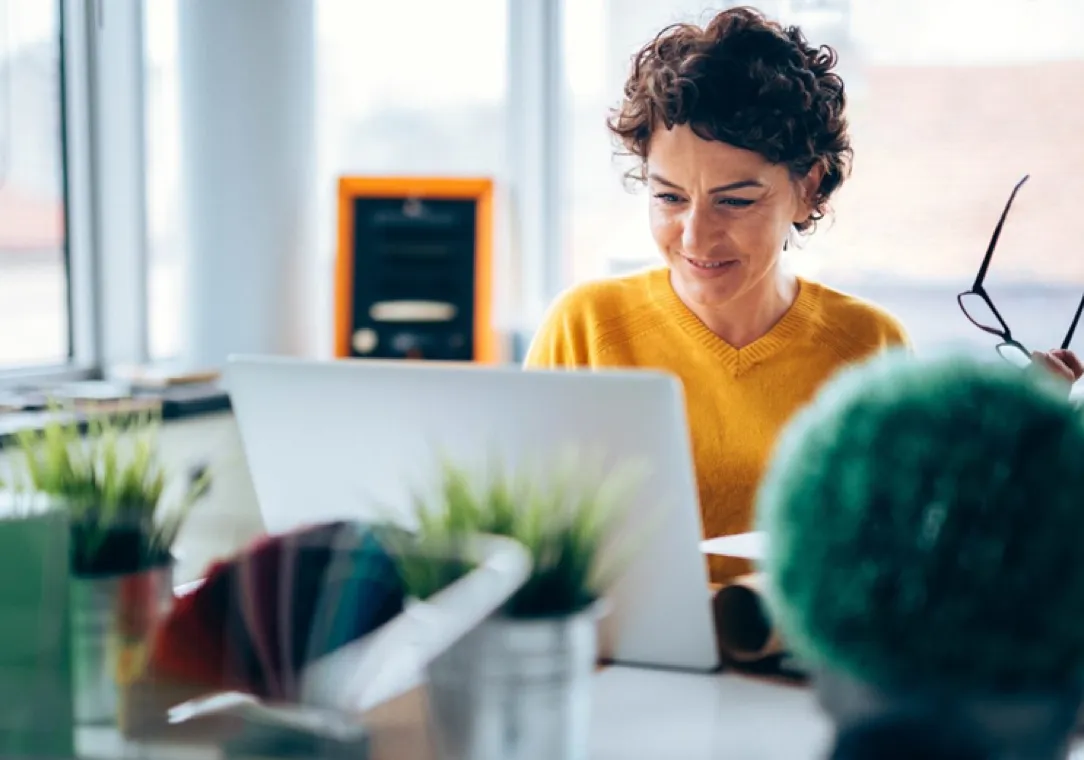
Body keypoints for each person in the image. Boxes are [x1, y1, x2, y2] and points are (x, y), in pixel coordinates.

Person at [523, 6, 1083, 583]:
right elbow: (522, 540)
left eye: (735, 201)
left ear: (808, 188)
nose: (695, 235)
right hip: (621, 664)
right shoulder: (585, 327)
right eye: (669, 198)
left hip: (798, 669)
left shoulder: (868, 345)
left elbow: (917, 548)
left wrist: (1016, 432)